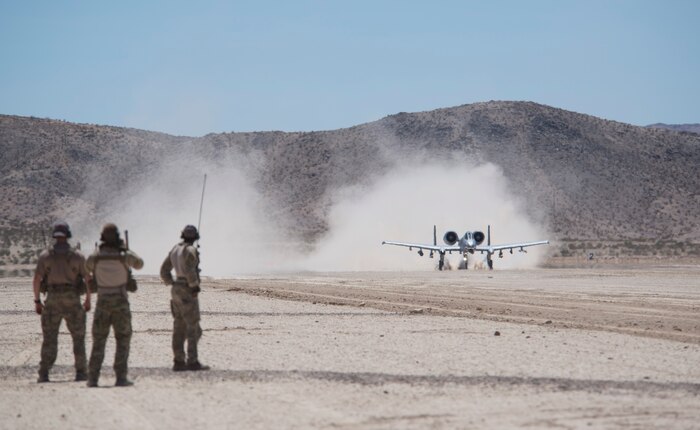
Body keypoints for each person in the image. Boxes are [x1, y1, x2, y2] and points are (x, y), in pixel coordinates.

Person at [85, 223, 143, 387]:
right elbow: (139, 264)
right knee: (123, 339)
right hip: (120, 301)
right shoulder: (124, 255)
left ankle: (93, 378)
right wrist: (125, 250)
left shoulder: (96, 256)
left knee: (99, 341)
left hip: (103, 300)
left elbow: (86, 267)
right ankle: (121, 377)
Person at [33, 222, 91, 383]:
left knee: (50, 338)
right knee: (78, 337)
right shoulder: (77, 256)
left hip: (52, 299)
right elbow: (88, 279)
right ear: (68, 235)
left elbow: (37, 279)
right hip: (72, 298)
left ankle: (44, 373)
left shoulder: (46, 256)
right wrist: (87, 299)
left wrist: (37, 300)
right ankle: (81, 372)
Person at [160, 225, 209, 371]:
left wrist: (172, 283)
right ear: (195, 237)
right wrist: (193, 285)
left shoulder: (175, 249)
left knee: (178, 326)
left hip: (176, 289)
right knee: (193, 327)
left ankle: (178, 361)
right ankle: (192, 361)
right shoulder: (190, 250)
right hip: (187, 289)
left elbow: (164, 271)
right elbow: (189, 270)